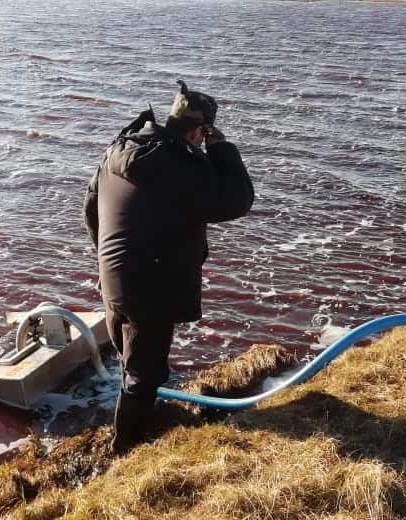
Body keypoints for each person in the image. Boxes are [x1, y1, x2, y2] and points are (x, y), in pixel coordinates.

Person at [83, 80, 254, 452]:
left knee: (133, 361)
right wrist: (223, 148)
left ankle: (136, 419)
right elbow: (237, 200)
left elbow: (90, 207)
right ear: (198, 130)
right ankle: (128, 448)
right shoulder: (180, 167)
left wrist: (105, 258)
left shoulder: (121, 148)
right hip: (151, 287)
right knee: (145, 374)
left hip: (114, 276)